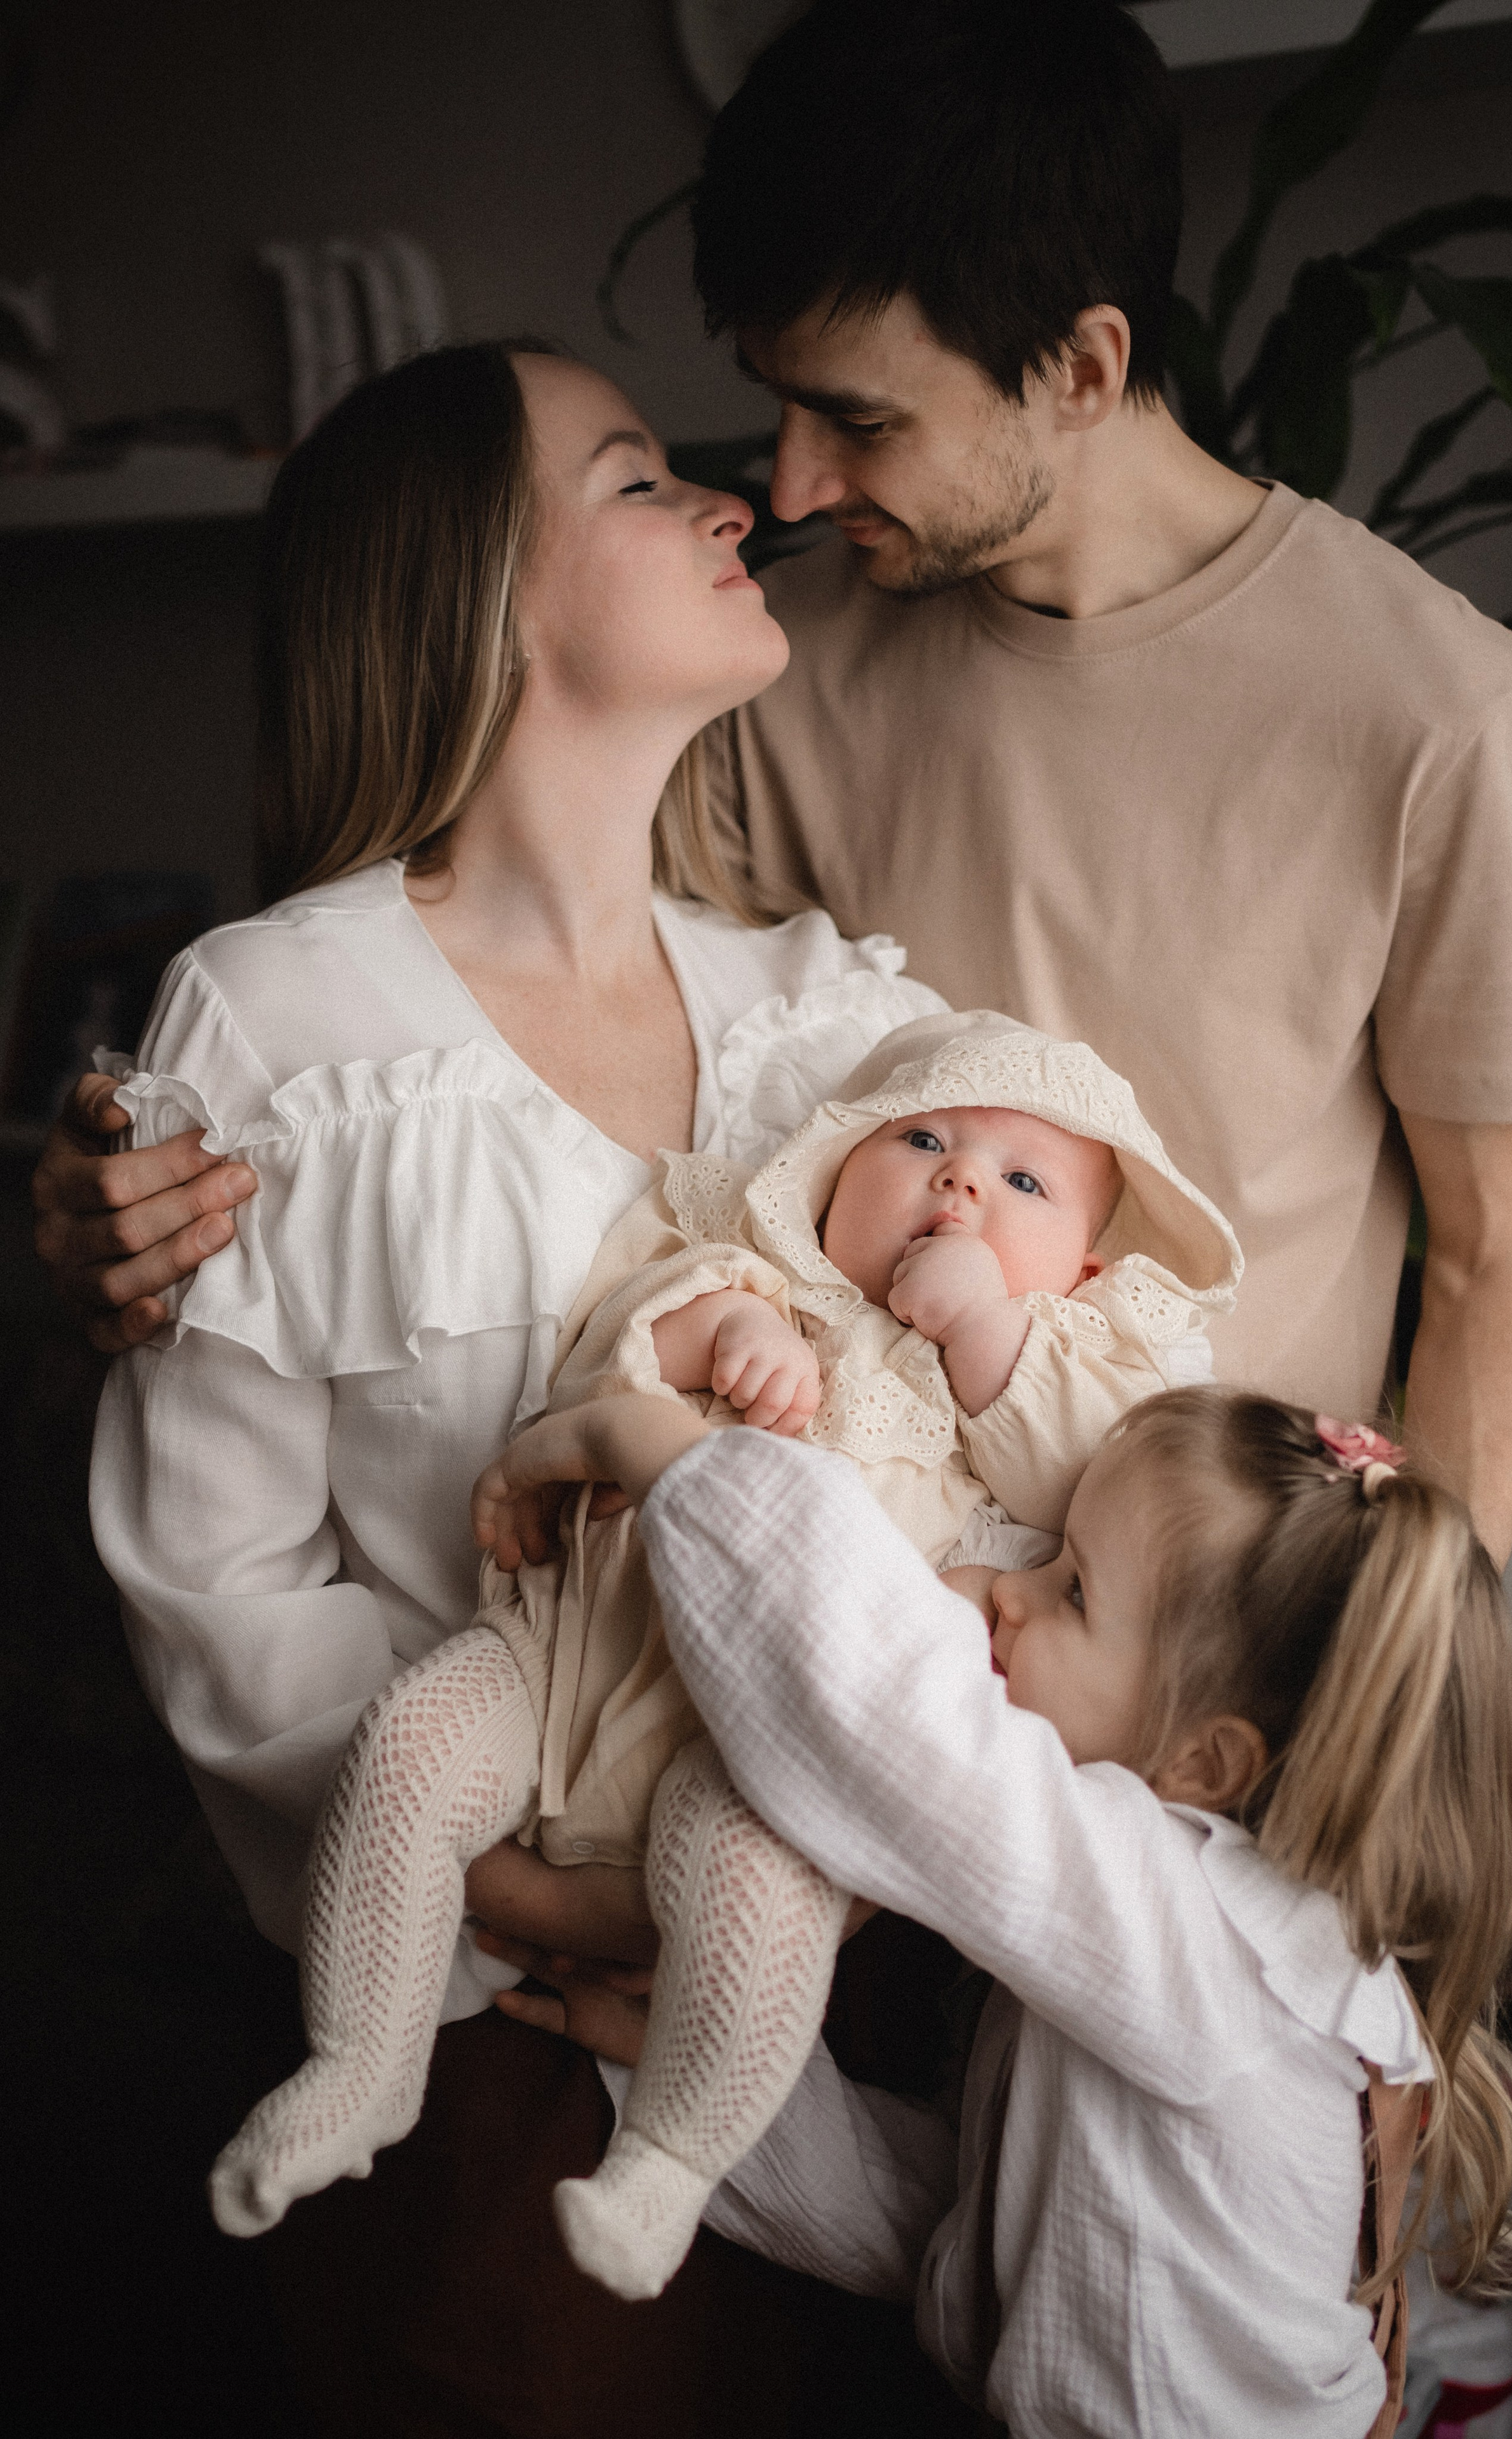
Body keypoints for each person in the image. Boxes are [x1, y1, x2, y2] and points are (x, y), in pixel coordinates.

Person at [32, 0, 1512, 1923]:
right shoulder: (781, 669)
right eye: (773, 404)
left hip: (1224, 1733)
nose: (785, 485)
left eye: (859, 417)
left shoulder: (1431, 708)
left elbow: (1503, 1258)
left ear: (1084, 365)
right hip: (854, 1710)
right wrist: (156, 1192)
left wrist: (1425, 1661)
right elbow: (510, 1024)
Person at [81, 337, 984, 2436]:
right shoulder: (279, 1012)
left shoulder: (827, 1016)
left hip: (849, 1995)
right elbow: (214, 1584)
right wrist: (519, 1899)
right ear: (482, 585)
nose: (731, 502)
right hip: (482, 2049)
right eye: (640, 478)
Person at [203, 1008, 1240, 2301]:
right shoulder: (743, 1263)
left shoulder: (1031, 1418)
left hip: (751, 1756)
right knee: (404, 1751)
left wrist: (982, 1331)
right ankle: (357, 2064)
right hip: (555, 1661)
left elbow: (1082, 1460)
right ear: (831, 1171)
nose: (962, 1178)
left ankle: (671, 2161)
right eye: (922, 1137)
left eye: (1021, 1182)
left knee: (760, 1903)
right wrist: (712, 1340)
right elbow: (599, 1360)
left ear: (1080, 1275)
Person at [474, 1381, 1512, 2439]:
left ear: (1207, 1761)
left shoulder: (1208, 1937)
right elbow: (982, 2229)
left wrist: (666, 1449)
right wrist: (707, 2065)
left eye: (1073, 1588)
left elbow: (901, 1723)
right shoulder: (1227, 1957)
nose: (1013, 1596)